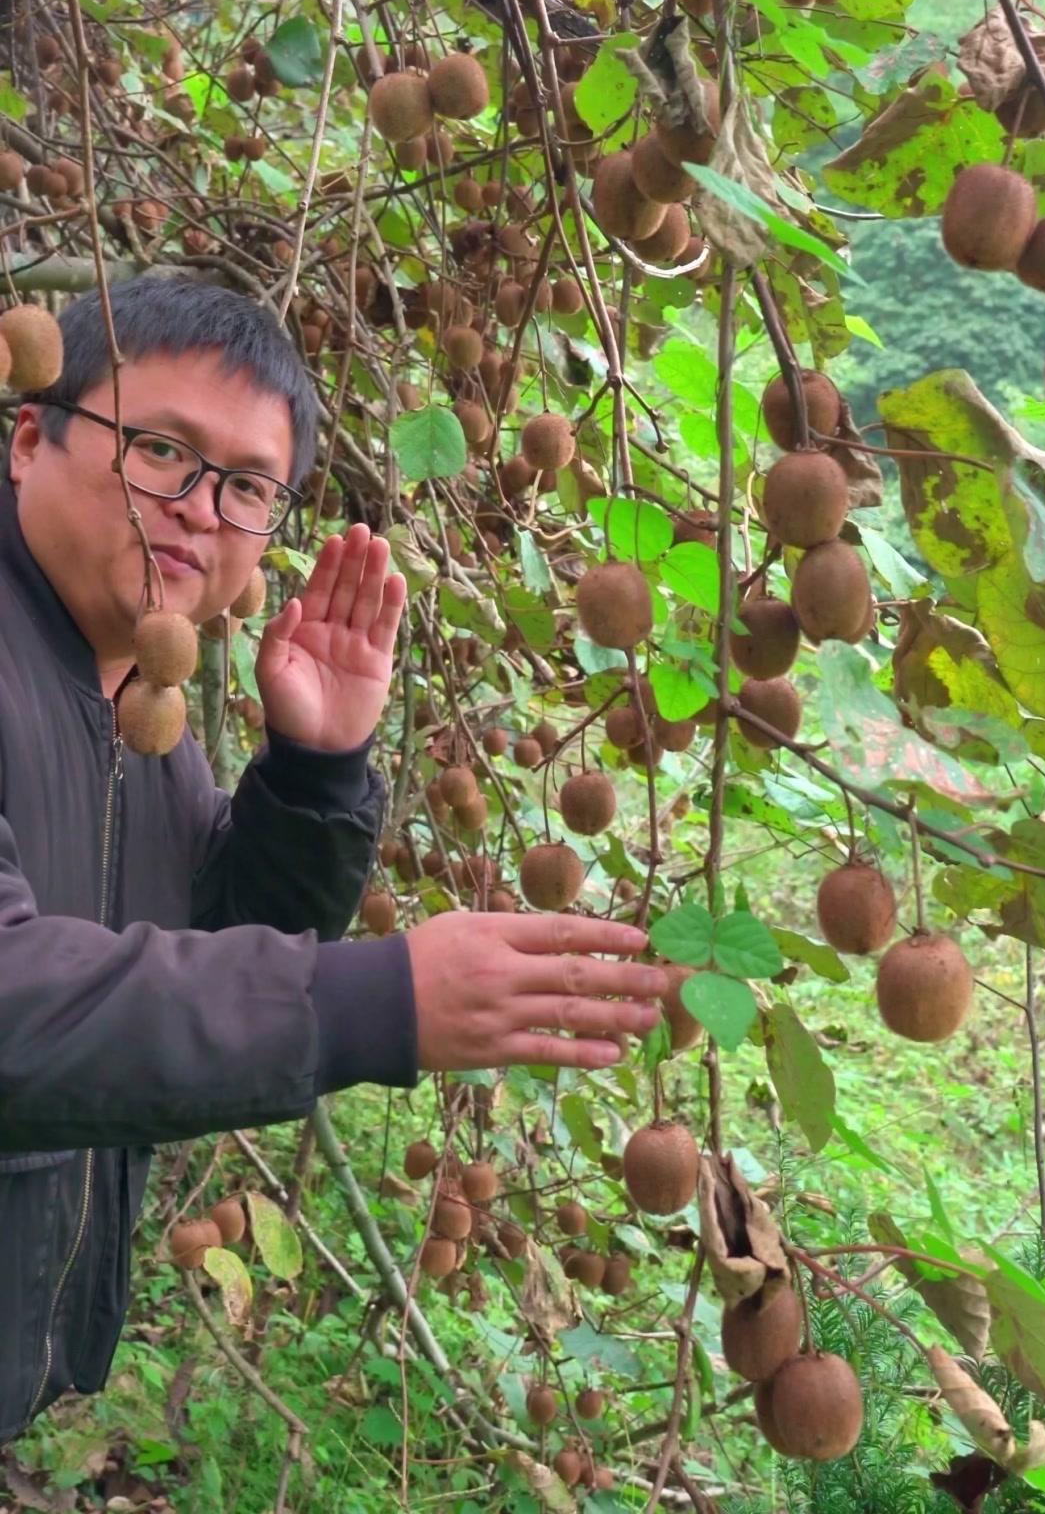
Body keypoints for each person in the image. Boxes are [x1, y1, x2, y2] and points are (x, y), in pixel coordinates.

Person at [0, 271, 663, 1442]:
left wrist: (314, 773)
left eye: (250, 486)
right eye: (160, 450)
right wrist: (379, 1001)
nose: (204, 509)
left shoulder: (135, 705)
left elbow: (195, 948)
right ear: (27, 440)